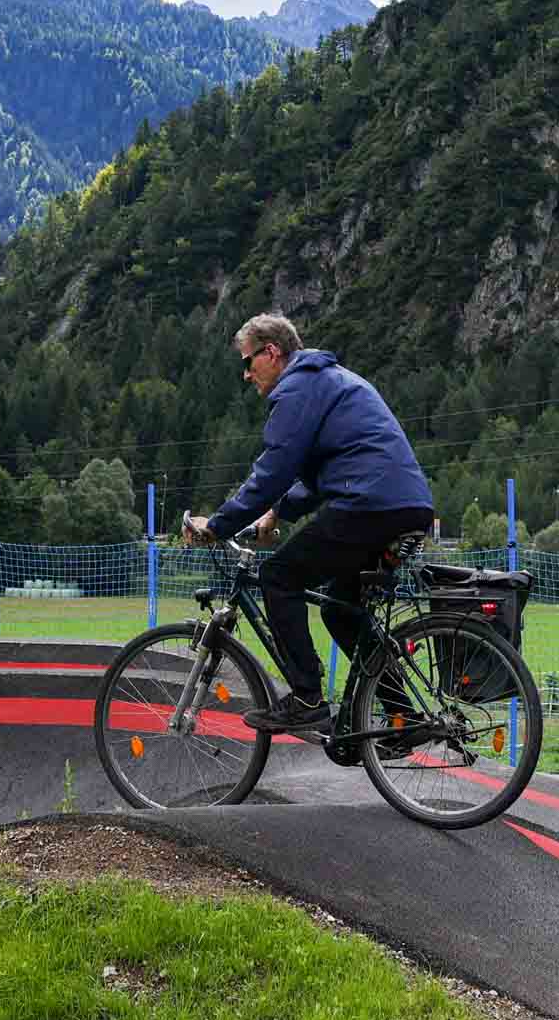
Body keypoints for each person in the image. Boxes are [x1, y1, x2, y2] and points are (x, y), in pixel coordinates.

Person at [183, 312, 434, 733]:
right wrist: (279, 512)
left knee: (278, 576)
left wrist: (219, 525)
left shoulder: (298, 387)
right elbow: (322, 469)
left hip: (369, 505)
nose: (246, 375)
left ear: (272, 352)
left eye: (248, 362)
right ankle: (399, 716)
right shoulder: (329, 380)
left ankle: (305, 699)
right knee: (342, 611)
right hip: (404, 506)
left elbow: (274, 471)